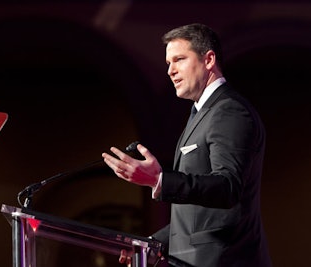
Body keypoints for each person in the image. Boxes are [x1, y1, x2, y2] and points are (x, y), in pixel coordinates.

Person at [102, 23, 272, 267]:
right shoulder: (202, 114)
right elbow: (197, 216)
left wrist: (159, 180)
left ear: (209, 59)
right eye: (168, 63)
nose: (171, 71)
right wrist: (151, 243)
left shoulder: (229, 111)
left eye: (179, 59)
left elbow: (228, 187)